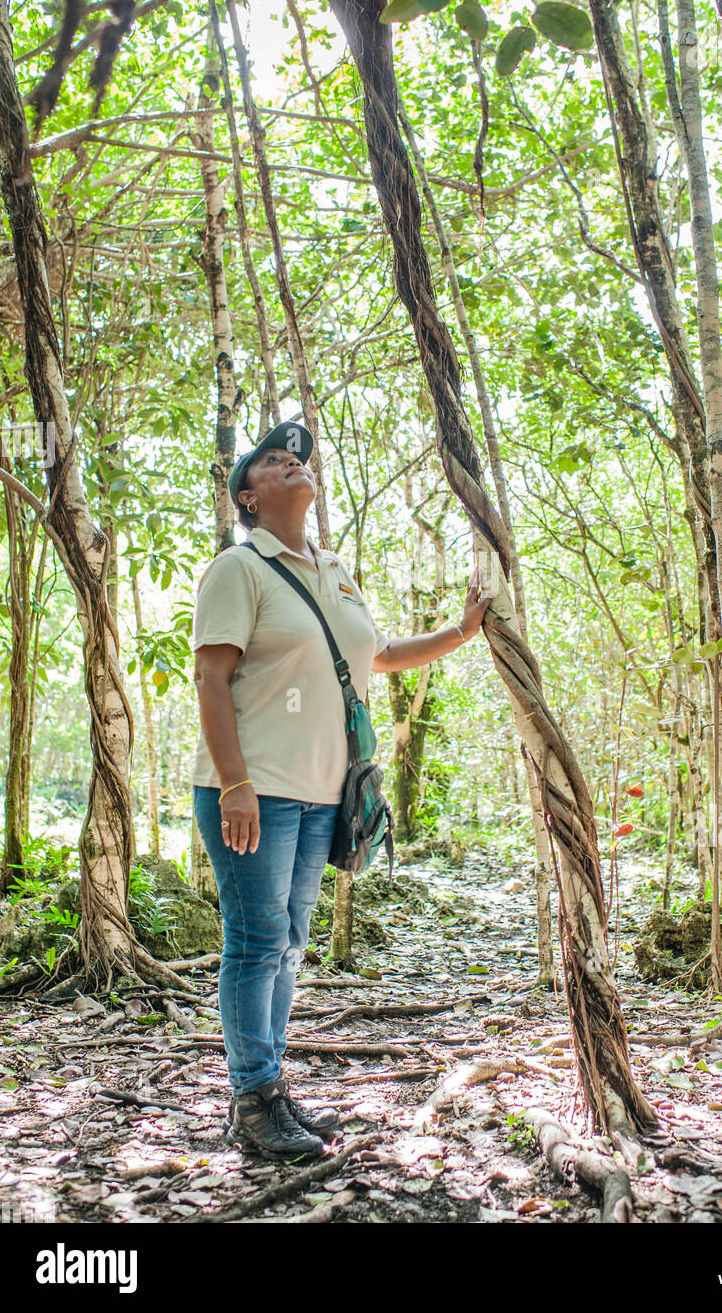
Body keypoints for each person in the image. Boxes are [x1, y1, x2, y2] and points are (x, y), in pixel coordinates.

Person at [191, 420, 493, 1158]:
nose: (290, 462)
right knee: (257, 942)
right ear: (248, 497)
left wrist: (459, 633)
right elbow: (211, 677)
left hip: (322, 791)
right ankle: (253, 1100)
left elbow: (377, 655)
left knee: (291, 944)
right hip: (252, 790)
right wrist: (234, 782)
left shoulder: (333, 569)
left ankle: (272, 1093)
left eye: (296, 456)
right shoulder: (239, 568)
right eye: (271, 460)